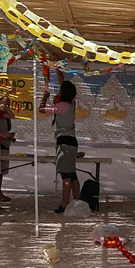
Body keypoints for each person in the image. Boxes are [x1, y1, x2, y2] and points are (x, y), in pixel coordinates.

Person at [38, 68, 80, 213]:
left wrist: (44, 97)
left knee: (65, 176)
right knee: (72, 174)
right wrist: (57, 69)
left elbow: (41, 109)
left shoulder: (60, 106)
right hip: (72, 141)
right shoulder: (72, 103)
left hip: (64, 142)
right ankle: (77, 202)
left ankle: (64, 204)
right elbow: (63, 83)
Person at [0, 96, 16, 203]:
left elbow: (12, 115)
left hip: (5, 143)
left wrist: (10, 137)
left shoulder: (4, 116)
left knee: (2, 170)